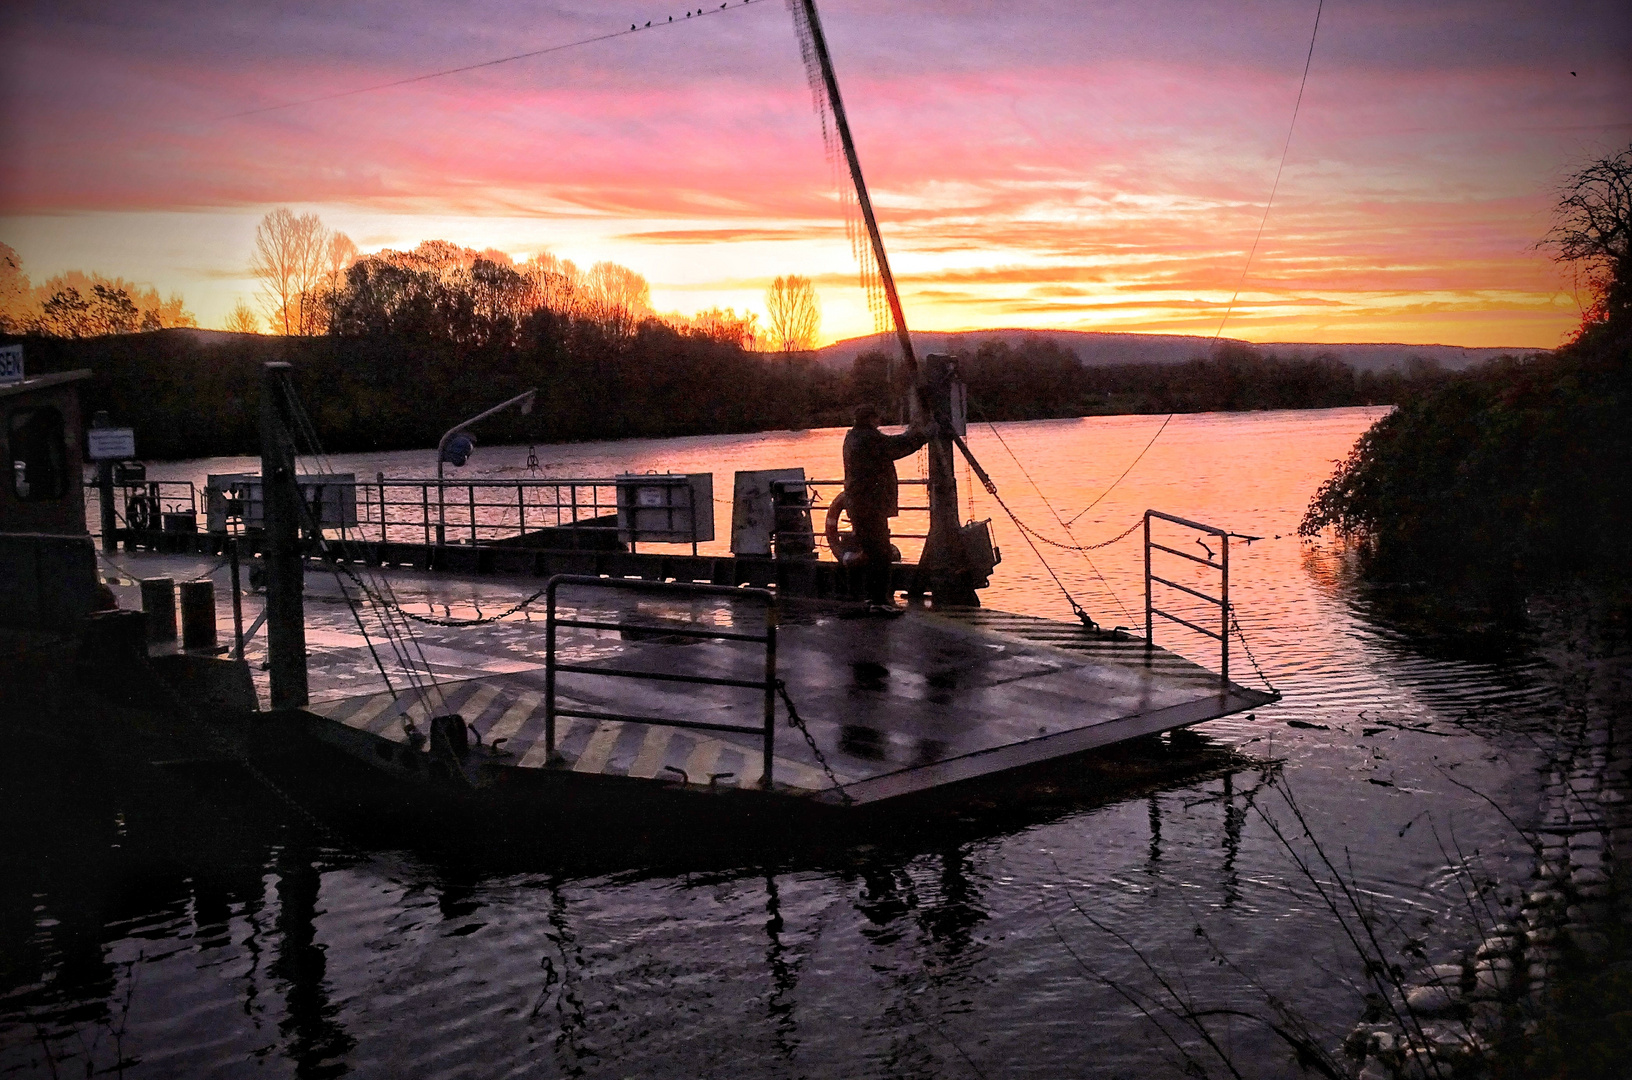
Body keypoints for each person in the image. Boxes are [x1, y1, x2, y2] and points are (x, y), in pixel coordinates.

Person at [842, 403, 931, 612]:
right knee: (880, 554)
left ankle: (872, 599)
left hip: (860, 504)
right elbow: (897, 446)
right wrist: (923, 436)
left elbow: (893, 443)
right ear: (872, 419)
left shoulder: (853, 438)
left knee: (874, 552)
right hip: (869, 505)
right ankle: (879, 601)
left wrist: (913, 434)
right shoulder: (869, 438)